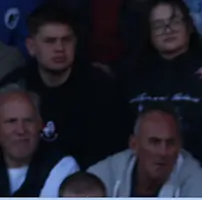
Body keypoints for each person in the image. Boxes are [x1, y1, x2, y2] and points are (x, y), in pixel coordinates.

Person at [120, 0, 202, 162]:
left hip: (199, 168)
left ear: (189, 27)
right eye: (159, 26)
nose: (168, 30)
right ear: (149, 33)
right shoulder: (132, 75)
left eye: (174, 22)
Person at [14, 9, 122, 169]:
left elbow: (110, 156)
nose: (60, 48)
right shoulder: (15, 87)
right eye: (50, 41)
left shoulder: (102, 89)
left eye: (66, 40)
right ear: (31, 46)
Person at [89, 108, 202, 198]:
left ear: (180, 146)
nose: (163, 152)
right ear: (134, 144)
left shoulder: (196, 183)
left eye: (170, 143)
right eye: (154, 142)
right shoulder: (108, 173)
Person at [0, 89, 77, 197]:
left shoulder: (63, 165)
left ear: (40, 125)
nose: (21, 130)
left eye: (28, 121)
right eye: (12, 121)